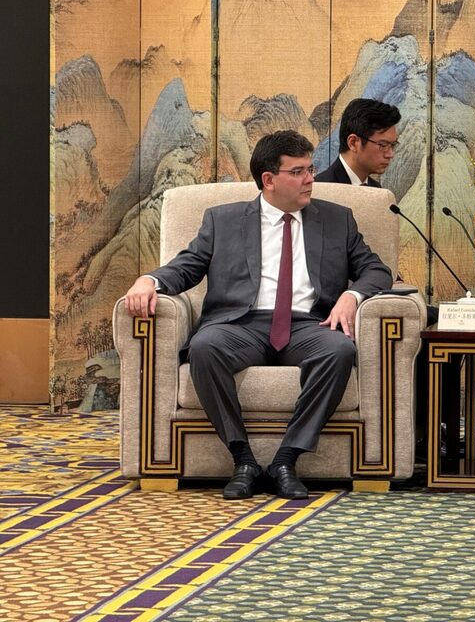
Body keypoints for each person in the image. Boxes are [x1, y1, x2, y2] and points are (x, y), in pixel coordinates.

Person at [122, 130, 393, 500]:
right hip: (241, 324)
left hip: (308, 324)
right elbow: (187, 267)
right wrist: (149, 280)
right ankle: (243, 459)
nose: (310, 179)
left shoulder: (336, 219)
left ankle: (286, 459)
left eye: (310, 169)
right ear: (269, 179)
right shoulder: (223, 221)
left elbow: (376, 271)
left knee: (339, 350)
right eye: (298, 172)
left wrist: (352, 294)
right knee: (204, 347)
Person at [316, 98, 401, 187]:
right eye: (383, 145)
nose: (390, 154)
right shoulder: (321, 189)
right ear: (353, 143)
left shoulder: (377, 189)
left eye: (393, 145)